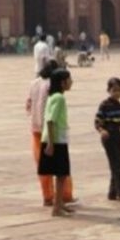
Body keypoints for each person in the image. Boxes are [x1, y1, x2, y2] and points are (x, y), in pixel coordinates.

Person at [26, 61, 76, 207]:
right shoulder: (52, 87)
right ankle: (65, 196)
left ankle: (48, 196)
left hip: (35, 128)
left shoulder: (34, 83)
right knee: (61, 168)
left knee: (44, 166)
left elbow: (28, 105)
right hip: (50, 131)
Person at [94, 76, 120, 201]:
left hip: (117, 136)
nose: (117, 93)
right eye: (114, 90)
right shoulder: (104, 105)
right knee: (117, 165)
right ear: (109, 90)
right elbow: (97, 121)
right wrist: (102, 130)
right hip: (108, 136)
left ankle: (112, 193)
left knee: (116, 165)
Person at [39, 68, 74, 217]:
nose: (71, 82)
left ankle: (59, 203)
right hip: (56, 140)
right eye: (69, 79)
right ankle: (57, 208)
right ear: (62, 82)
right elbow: (51, 120)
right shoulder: (59, 98)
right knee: (61, 175)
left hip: (52, 138)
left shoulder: (52, 96)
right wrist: (51, 144)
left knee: (60, 174)